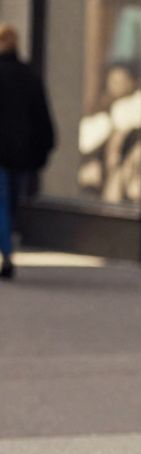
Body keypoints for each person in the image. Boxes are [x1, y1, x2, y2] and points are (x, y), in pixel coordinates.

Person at [0, 22, 55, 280]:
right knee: (10, 203)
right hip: (20, 156)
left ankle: (7, 252)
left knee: (2, 204)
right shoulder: (28, 76)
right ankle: (8, 246)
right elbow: (42, 119)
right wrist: (42, 149)